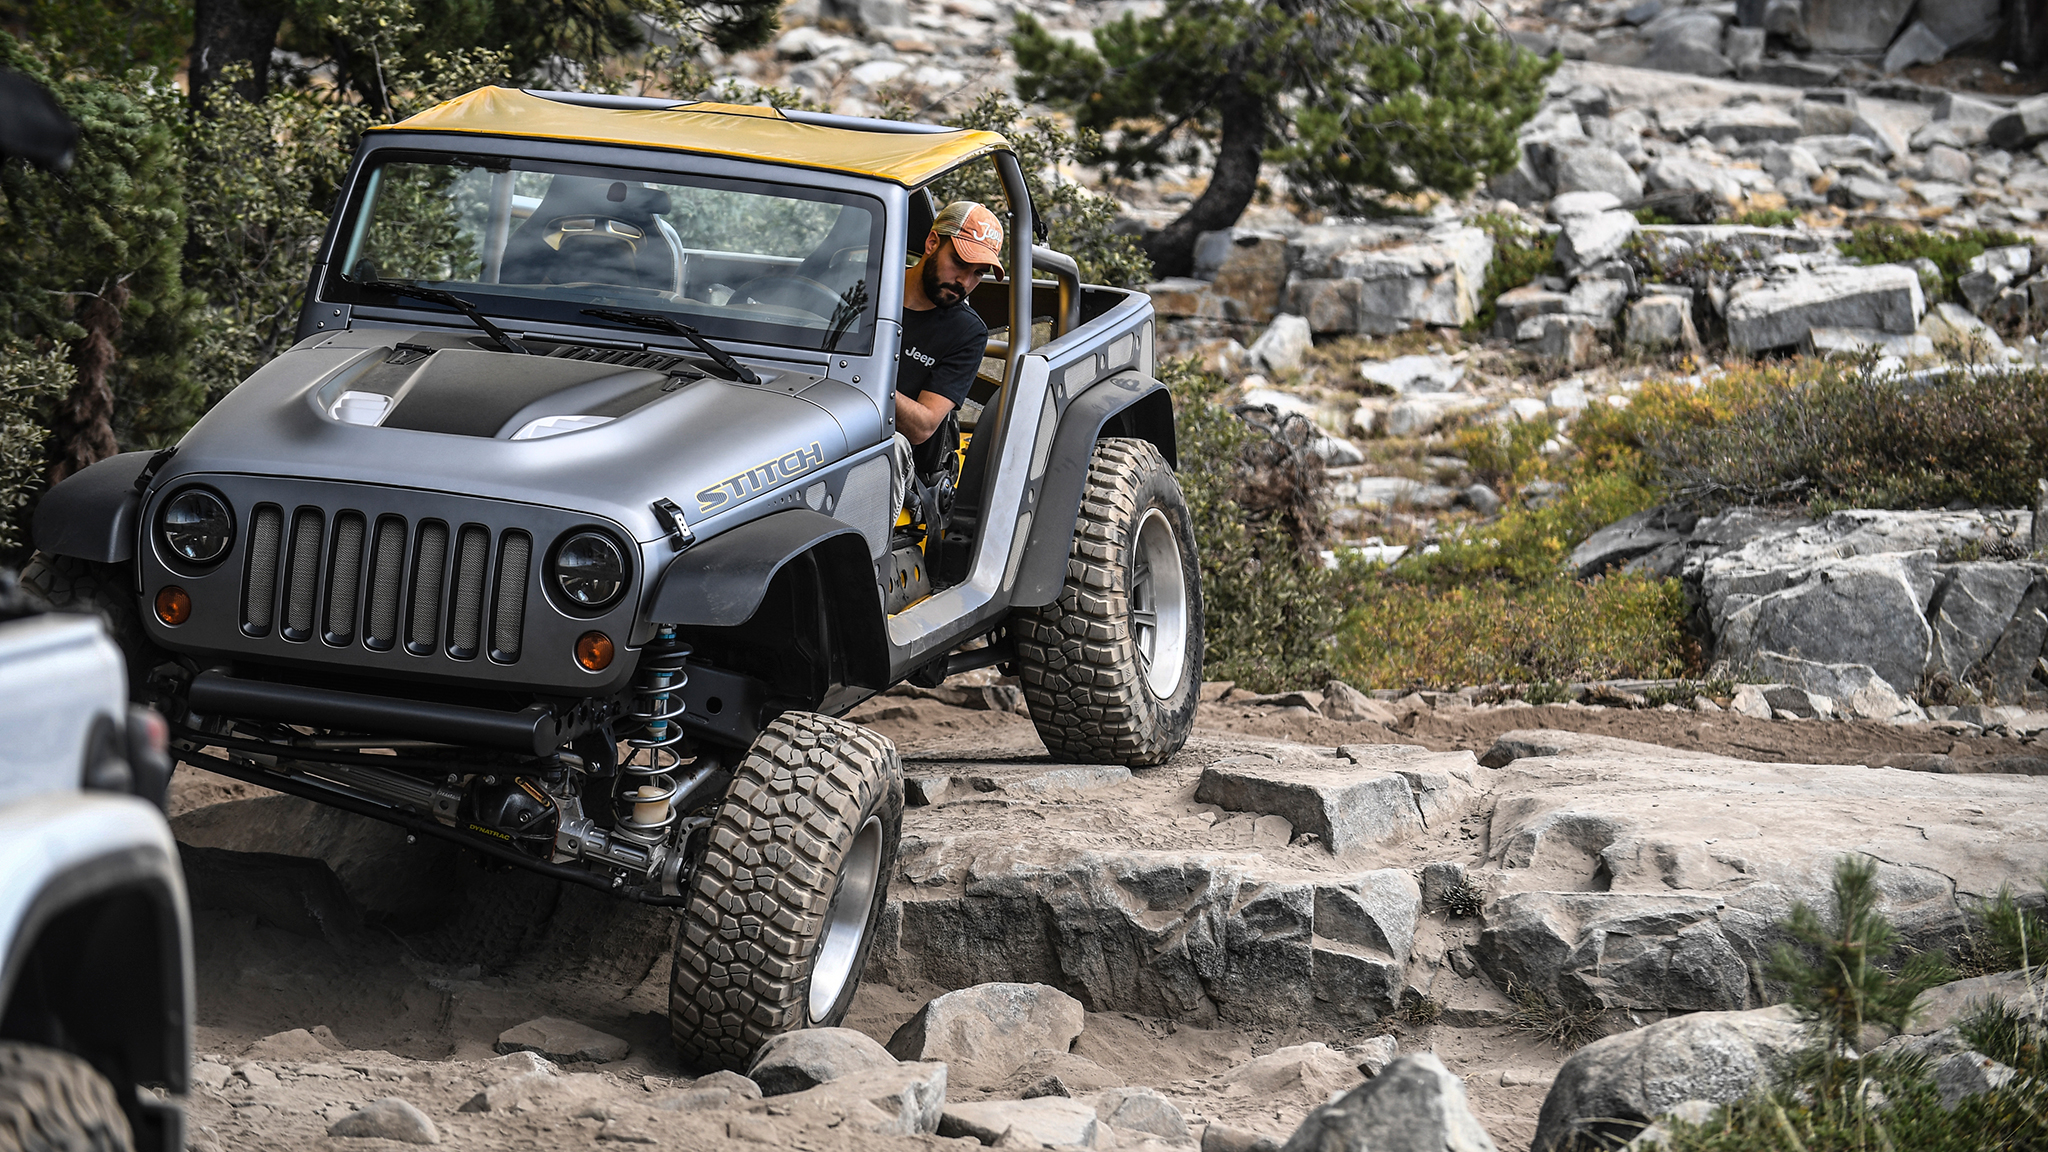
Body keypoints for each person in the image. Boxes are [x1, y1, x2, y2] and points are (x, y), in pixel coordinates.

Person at [890, 201, 1003, 516]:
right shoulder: (869, 289)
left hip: (888, 451)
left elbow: (922, 426)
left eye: (977, 274)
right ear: (931, 243)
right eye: (959, 263)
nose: (964, 283)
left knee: (894, 446)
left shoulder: (966, 332)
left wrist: (864, 383)